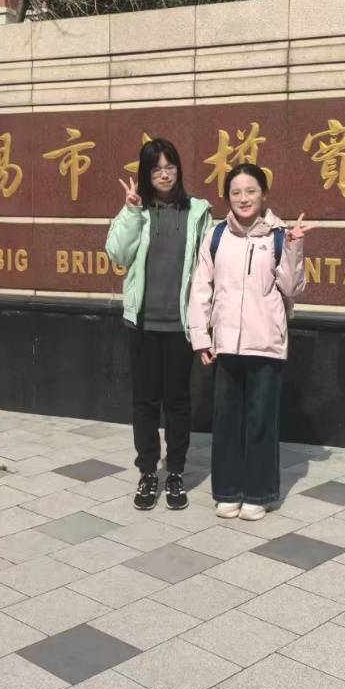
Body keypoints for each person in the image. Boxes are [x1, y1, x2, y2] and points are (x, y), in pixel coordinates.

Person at [187, 162, 309, 520]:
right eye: (236, 192)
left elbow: (293, 288)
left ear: (264, 195)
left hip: (266, 342)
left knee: (260, 422)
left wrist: (294, 247)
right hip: (226, 343)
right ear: (228, 197)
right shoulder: (217, 236)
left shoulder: (279, 236)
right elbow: (201, 288)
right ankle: (228, 490)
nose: (243, 198)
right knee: (227, 421)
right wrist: (201, 337)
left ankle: (259, 492)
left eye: (251, 191)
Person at [106, 139, 212, 511]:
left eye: (170, 167)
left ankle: (176, 472)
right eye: (156, 169)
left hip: (181, 325)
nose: (164, 175)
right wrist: (130, 212)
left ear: (178, 169)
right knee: (145, 402)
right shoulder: (139, 210)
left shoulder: (198, 211)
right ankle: (149, 472)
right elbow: (117, 254)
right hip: (143, 324)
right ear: (146, 174)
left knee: (178, 402)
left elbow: (209, 266)